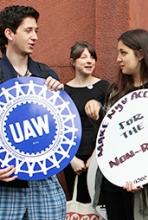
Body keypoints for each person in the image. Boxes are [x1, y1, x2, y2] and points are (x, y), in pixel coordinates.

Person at [85, 29, 148, 220]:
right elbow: (109, 139)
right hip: (114, 191)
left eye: (123, 53)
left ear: (141, 55)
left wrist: (144, 179)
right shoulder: (115, 92)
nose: (117, 59)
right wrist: (97, 113)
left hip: (147, 199)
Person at [0, 5, 66, 220]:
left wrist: (60, 99)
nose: (35, 36)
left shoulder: (46, 75)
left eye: (36, 30)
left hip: (44, 181)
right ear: (9, 34)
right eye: (28, 31)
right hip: (6, 183)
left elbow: (65, 129)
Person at [63, 41, 109, 203]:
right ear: (72, 62)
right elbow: (60, 130)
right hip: (72, 158)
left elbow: (110, 127)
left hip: (100, 156)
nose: (89, 61)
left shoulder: (104, 87)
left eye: (92, 57)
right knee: (77, 204)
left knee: (100, 205)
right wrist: (71, 159)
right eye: (83, 57)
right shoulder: (63, 91)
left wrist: (95, 157)